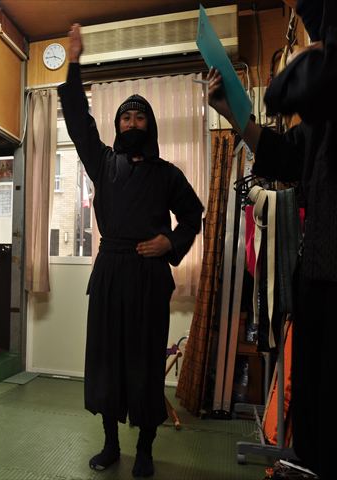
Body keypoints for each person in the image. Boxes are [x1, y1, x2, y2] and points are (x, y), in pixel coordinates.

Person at [58, 24, 204, 477]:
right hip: (109, 273)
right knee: (106, 360)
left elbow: (194, 216)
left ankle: (144, 448)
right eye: (126, 117)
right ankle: (109, 444)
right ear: (118, 125)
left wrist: (170, 242)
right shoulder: (103, 163)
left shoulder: (168, 174)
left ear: (150, 126)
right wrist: (74, 62)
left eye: (140, 117)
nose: (132, 123)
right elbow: (78, 119)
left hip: (148, 276)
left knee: (144, 364)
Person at [206, 1, 335, 477]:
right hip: (317, 279)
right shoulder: (319, 122)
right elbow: (283, 154)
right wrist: (231, 112)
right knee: (315, 419)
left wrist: (310, 66)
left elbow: (290, 89)